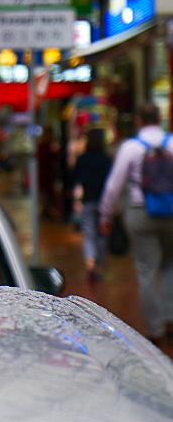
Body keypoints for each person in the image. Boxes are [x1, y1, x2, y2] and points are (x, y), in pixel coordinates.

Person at [99, 102, 173, 346]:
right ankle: (170, 317)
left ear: (139, 121)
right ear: (160, 118)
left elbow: (114, 185)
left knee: (147, 270)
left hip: (141, 213)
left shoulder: (131, 147)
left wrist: (106, 216)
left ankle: (155, 328)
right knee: (170, 266)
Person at [71, 128, 112, 282]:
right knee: (101, 235)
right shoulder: (106, 159)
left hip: (88, 200)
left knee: (89, 234)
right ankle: (100, 266)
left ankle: (90, 264)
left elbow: (74, 179)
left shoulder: (83, 159)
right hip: (103, 202)